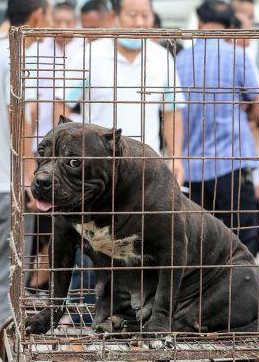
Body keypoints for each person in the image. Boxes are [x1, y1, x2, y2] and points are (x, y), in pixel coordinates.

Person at [54, 0, 185, 182]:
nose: (140, 22)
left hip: (145, 165)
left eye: (145, 15)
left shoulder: (162, 58)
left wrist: (175, 158)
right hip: (96, 167)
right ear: (113, 17)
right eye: (132, 15)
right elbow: (62, 104)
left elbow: (172, 112)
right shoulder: (90, 55)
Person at [176, 0, 259, 256]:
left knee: (198, 241)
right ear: (229, 27)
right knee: (240, 237)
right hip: (232, 162)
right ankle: (240, 290)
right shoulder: (238, 56)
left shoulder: (181, 60)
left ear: (200, 23)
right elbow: (258, 106)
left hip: (191, 167)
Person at [0, 0, 51, 325]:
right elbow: (19, 117)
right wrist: (31, 177)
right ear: (36, 16)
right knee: (10, 274)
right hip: (7, 183)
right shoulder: (13, 55)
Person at [26, 1, 82, 292]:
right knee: (40, 217)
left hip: (72, 151)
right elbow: (30, 106)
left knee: (61, 217)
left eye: (67, 22)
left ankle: (46, 279)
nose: (62, 27)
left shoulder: (82, 52)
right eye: (56, 21)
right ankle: (36, 279)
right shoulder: (36, 52)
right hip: (41, 145)